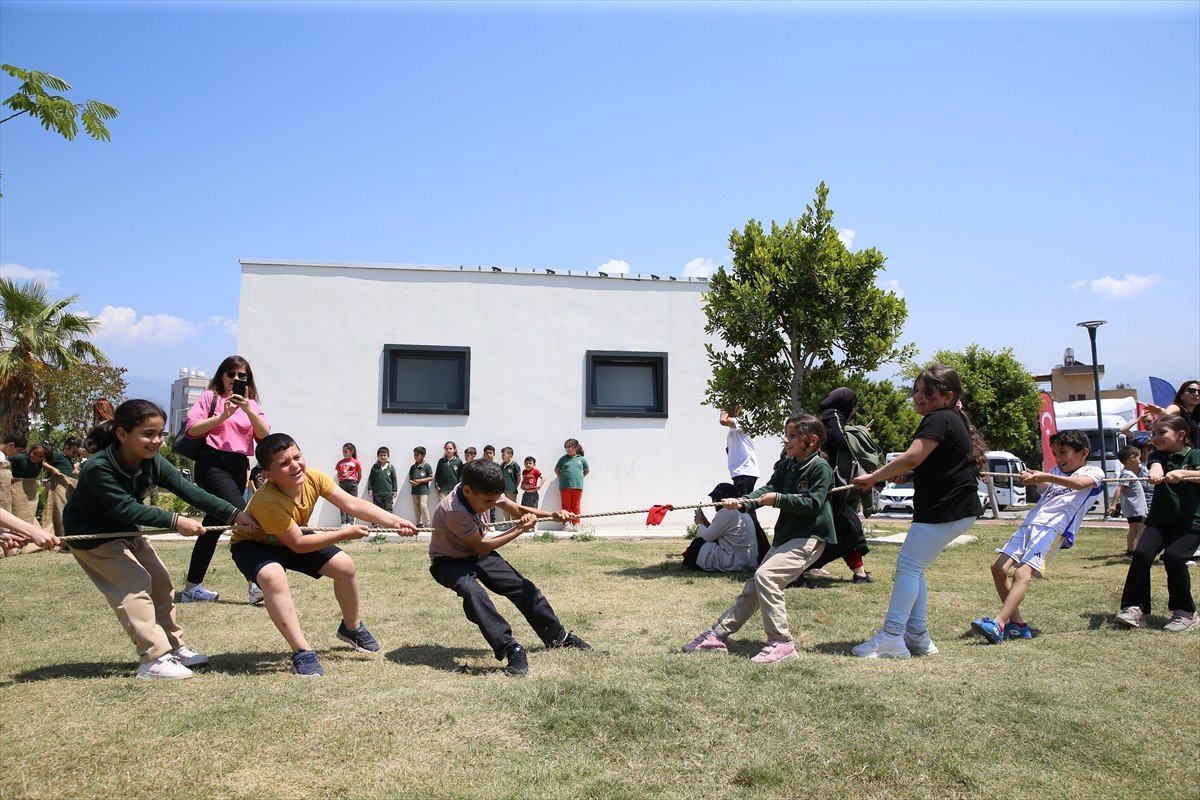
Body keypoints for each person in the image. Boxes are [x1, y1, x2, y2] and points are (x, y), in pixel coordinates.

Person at [63, 400, 258, 680]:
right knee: (133, 584)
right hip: (94, 535)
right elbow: (125, 508)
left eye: (160, 434)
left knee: (161, 581)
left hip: (126, 529)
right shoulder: (99, 467)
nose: (156, 441)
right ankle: (152, 658)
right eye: (148, 434)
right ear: (122, 434)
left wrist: (235, 514)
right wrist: (176, 521)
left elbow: (188, 491)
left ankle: (173, 647)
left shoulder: (152, 461)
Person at [234, 433, 418, 676]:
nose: (295, 466)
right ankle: (302, 651)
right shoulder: (267, 501)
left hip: (291, 535)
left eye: (297, 457)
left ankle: (351, 629)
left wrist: (395, 521)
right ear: (267, 475)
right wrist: (344, 534)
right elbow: (298, 544)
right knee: (273, 577)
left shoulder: (313, 477)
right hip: (256, 544)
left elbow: (352, 504)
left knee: (344, 566)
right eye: (284, 463)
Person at [850, 365, 987, 659]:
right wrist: (908, 476)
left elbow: (913, 456)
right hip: (955, 509)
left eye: (927, 392)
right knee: (915, 567)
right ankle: (918, 637)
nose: (918, 397)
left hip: (945, 510)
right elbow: (940, 465)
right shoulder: (950, 418)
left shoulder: (937, 418)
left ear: (948, 396)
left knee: (908, 567)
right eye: (915, 390)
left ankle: (891, 636)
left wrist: (873, 477)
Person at [681, 413, 836, 664]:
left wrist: (779, 499)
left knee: (767, 577)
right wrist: (741, 503)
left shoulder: (820, 468)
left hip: (810, 536)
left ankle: (781, 642)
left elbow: (813, 503)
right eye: (786, 434)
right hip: (787, 535)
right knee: (755, 585)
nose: (786, 440)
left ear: (812, 440)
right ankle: (718, 635)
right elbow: (767, 489)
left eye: (793, 435)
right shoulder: (787, 464)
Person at [428, 459, 591, 677]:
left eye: (494, 501)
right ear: (467, 491)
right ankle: (510, 648)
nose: (491, 505)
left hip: (477, 554)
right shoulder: (453, 510)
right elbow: (479, 544)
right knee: (473, 592)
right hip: (449, 560)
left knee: (522, 587)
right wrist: (519, 529)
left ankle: (557, 638)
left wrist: (553, 514)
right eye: (487, 501)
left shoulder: (483, 489)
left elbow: (519, 509)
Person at [968, 429, 1103, 644]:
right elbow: (1047, 487)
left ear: (1083, 452)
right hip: (1029, 524)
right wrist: (1034, 479)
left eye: (1063, 452)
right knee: (998, 568)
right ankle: (1018, 625)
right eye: (1055, 453)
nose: (1058, 458)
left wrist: (1046, 475)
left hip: (1053, 529)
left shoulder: (1094, 472)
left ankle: (999, 623)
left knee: (1022, 573)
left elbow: (1080, 484)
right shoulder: (1056, 472)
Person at [180, 355, 271, 605]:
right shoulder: (210, 397)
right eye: (231, 374)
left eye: (242, 376)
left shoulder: (251, 404)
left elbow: (264, 436)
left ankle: (191, 587)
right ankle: (255, 584)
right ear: (222, 375)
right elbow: (191, 429)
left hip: (238, 464)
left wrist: (248, 410)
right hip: (211, 463)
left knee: (212, 527)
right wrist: (222, 416)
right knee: (243, 516)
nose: (236, 379)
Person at [1114, 414, 1200, 633]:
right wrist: (1155, 474)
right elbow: (1155, 469)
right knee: (1141, 554)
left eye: (1162, 432)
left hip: (1192, 521)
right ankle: (1134, 608)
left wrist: (1182, 473)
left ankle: (1186, 613)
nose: (1156, 437)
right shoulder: (1157, 456)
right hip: (1160, 520)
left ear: (1181, 435)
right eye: (1154, 433)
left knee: (1174, 556)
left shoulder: (1195, 454)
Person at [805, 387, 873, 583]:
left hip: (825, 486)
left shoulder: (825, 415)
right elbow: (839, 439)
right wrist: (858, 434)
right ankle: (797, 571)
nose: (854, 410)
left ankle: (860, 574)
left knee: (848, 528)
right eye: (854, 405)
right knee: (847, 528)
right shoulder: (833, 414)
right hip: (823, 487)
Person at [681, 482, 758, 573]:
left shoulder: (727, 511)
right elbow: (716, 533)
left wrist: (699, 523)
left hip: (735, 562)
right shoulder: (742, 511)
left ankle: (689, 567)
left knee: (697, 543)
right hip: (747, 561)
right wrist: (704, 521)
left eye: (714, 499)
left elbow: (708, 537)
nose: (713, 502)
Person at [1107, 445, 1149, 557]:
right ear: (1132, 458)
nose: (1140, 461)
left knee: (1141, 527)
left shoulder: (1131, 473)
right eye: (1139, 458)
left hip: (1137, 507)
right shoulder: (1126, 474)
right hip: (1133, 507)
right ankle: (1131, 551)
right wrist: (1113, 504)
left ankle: (1137, 549)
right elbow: (1120, 488)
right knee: (1134, 529)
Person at [1146, 378, 1200, 446]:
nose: (1196, 394)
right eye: (1191, 390)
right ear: (1181, 396)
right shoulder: (1178, 408)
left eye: (1199, 392)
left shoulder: (1196, 415)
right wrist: (1159, 411)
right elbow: (1168, 413)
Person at [720, 407, 759, 495]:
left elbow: (723, 420)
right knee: (741, 505)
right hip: (739, 471)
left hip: (745, 470)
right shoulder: (733, 431)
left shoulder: (743, 422)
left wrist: (723, 406)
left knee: (744, 506)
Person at [5, 435, 40, 527]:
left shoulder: (38, 463)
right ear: (11, 445)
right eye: (19, 450)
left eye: (40, 457)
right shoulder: (19, 458)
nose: (36, 458)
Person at [555, 438, 589, 528]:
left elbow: (586, 470)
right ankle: (566, 523)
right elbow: (557, 470)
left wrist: (579, 478)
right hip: (565, 486)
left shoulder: (581, 459)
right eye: (566, 447)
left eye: (570, 447)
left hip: (577, 486)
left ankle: (576, 523)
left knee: (576, 506)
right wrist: (563, 478)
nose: (568, 449)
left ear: (576, 447)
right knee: (566, 506)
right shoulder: (563, 459)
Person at [334, 443, 363, 525]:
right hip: (343, 483)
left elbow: (360, 475)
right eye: (343, 451)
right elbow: (338, 473)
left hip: (352, 483)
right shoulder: (340, 463)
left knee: (352, 503)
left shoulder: (356, 462)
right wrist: (341, 481)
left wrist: (356, 483)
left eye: (346, 451)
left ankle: (350, 522)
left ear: (352, 451)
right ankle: (343, 522)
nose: (344, 453)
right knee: (342, 503)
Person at [408, 446, 434, 527]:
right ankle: (419, 523)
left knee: (423, 506)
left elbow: (431, 477)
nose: (415, 457)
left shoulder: (427, 466)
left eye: (417, 455)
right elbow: (410, 478)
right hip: (414, 490)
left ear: (423, 455)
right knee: (416, 507)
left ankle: (427, 522)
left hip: (423, 490)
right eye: (414, 455)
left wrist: (420, 481)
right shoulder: (413, 467)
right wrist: (411, 482)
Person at [367, 446, 398, 514]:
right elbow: (370, 479)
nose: (383, 457)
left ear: (388, 456)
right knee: (376, 509)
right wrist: (370, 489)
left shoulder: (391, 467)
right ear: (378, 456)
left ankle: (389, 523)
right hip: (377, 493)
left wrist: (395, 490)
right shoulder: (375, 467)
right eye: (381, 455)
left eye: (384, 455)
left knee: (388, 509)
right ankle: (376, 523)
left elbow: (394, 479)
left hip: (388, 493)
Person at [498, 447, 522, 521]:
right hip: (503, 490)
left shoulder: (514, 465)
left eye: (504, 455)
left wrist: (515, 487)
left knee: (512, 506)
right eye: (502, 455)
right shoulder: (501, 465)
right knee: (504, 506)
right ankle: (507, 522)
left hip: (511, 490)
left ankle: (515, 522)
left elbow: (519, 477)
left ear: (510, 455)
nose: (502, 456)